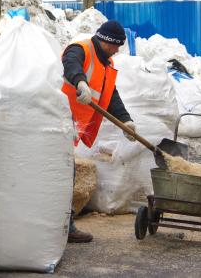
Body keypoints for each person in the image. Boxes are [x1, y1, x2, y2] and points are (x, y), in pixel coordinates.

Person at [62, 20, 137, 243]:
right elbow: (71, 64)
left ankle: (63, 225)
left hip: (72, 126)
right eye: (115, 45)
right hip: (57, 120)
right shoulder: (81, 48)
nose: (117, 50)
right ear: (106, 40)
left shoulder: (107, 63)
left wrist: (126, 121)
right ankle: (66, 227)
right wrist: (80, 82)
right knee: (64, 173)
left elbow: (110, 96)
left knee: (64, 173)